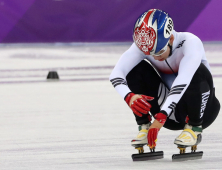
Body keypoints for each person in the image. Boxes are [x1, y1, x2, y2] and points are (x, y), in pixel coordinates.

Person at [109, 9, 220, 152]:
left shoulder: (191, 42)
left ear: (171, 39)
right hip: (171, 115)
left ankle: (194, 127)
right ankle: (144, 126)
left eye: (159, 52)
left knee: (196, 70)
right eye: (150, 54)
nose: (155, 58)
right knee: (134, 68)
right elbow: (116, 74)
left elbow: (182, 81)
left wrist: (162, 115)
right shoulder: (144, 44)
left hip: (204, 112)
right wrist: (129, 96)